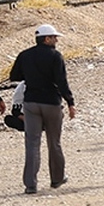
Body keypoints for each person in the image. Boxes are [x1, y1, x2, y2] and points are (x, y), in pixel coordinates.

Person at [11, 24, 76, 194]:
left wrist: (31, 76)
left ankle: (30, 184)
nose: (56, 40)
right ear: (46, 39)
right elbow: (62, 82)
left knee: (32, 143)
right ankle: (57, 179)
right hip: (51, 103)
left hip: (31, 103)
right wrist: (70, 102)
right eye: (54, 37)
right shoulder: (55, 56)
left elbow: (14, 76)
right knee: (54, 142)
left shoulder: (24, 55)